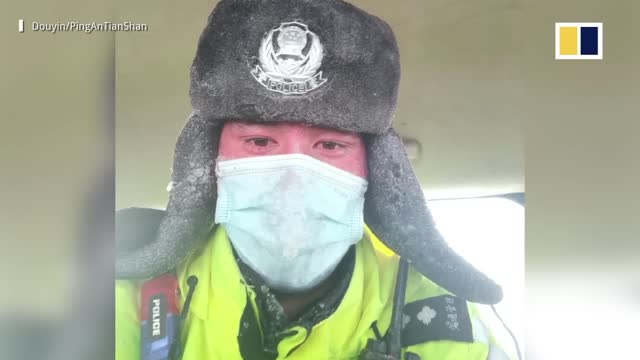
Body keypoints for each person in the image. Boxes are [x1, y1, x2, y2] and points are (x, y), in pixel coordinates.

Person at [116, 1, 518, 359]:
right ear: (210, 165)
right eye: (258, 141)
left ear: (373, 172)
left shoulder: (437, 313)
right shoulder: (121, 294)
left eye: (329, 145)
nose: (291, 179)